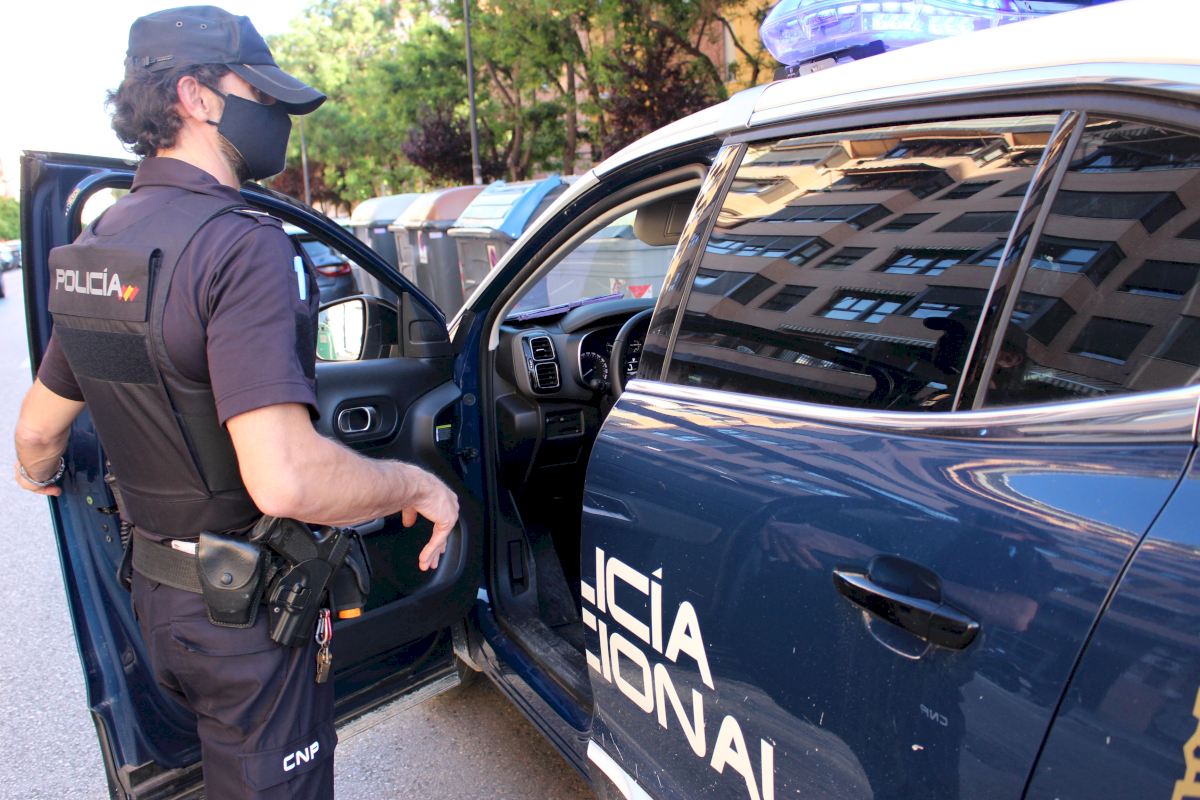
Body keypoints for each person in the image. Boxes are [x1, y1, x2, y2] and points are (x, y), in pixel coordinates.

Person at [12, 6, 458, 798]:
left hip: (157, 601)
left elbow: (37, 436)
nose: (277, 116)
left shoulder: (94, 249)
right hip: (246, 620)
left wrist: (45, 473)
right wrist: (419, 485)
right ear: (196, 96)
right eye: (261, 94)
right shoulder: (241, 244)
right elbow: (286, 480)